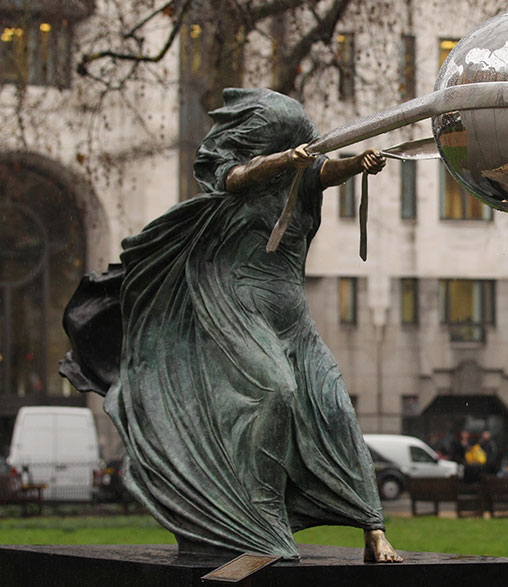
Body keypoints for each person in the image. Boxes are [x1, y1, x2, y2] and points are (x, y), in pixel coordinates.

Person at [65, 88, 400, 562]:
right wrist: (282, 159)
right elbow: (236, 177)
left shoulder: (301, 182)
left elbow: (324, 171)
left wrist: (357, 164)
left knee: (332, 404)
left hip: (290, 313)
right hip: (235, 302)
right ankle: (259, 517)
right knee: (275, 392)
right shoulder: (239, 185)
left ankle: (373, 528)